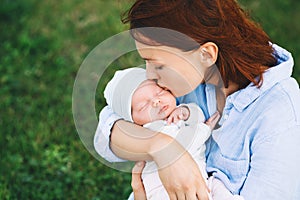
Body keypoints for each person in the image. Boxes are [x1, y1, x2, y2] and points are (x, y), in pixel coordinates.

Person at [94, 0, 300, 199]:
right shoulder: (182, 81)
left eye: (158, 65)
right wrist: (161, 147)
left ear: (207, 54)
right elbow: (105, 132)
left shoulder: (279, 115)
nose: (149, 76)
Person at [100, 67, 240, 200]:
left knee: (217, 186)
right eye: (143, 106)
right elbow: (184, 145)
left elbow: (198, 114)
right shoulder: (152, 129)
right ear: (133, 121)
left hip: (198, 180)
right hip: (163, 191)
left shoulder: (176, 112)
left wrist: (186, 111)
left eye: (159, 92)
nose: (156, 101)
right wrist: (205, 129)